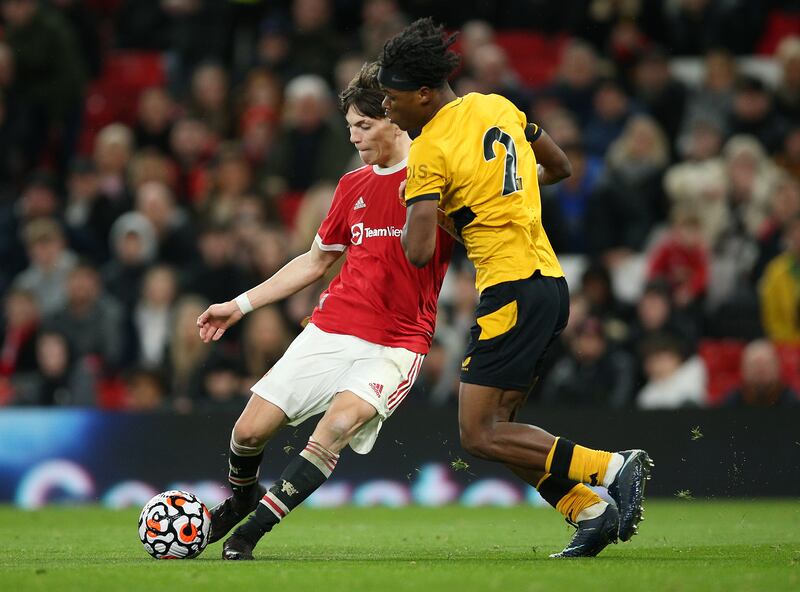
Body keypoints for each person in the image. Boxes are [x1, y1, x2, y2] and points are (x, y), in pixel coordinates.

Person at [378, 18, 652, 558]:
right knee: (500, 429)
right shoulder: (497, 105)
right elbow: (560, 165)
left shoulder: (429, 150)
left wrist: (418, 203)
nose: (387, 109)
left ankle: (612, 468)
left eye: (392, 98)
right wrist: (501, 198)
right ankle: (588, 511)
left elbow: (417, 249)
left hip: (509, 288)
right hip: (549, 285)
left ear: (425, 94)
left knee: (478, 434)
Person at [195, 63, 454, 560]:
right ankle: (239, 502)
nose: (355, 137)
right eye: (350, 127)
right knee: (248, 432)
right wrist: (240, 305)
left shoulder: (435, 175)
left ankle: (249, 536)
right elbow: (316, 260)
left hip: (396, 343)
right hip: (332, 327)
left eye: (364, 125)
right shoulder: (351, 186)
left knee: (333, 429)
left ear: (394, 120)